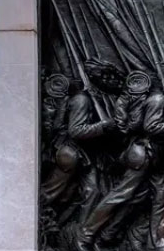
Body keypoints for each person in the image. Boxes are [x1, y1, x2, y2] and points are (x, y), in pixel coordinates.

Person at [76, 69, 164, 251]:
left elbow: (124, 124)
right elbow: (150, 127)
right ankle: (85, 235)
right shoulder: (157, 100)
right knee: (120, 195)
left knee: (159, 196)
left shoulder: (127, 100)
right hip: (143, 153)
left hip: (155, 156)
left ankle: (154, 243)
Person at [40, 62, 122, 220]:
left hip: (87, 154)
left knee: (93, 192)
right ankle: (34, 219)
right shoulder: (82, 100)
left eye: (112, 76)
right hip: (71, 153)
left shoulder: (102, 98)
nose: (111, 80)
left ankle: (79, 233)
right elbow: (76, 130)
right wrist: (103, 126)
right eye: (105, 77)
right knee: (53, 192)